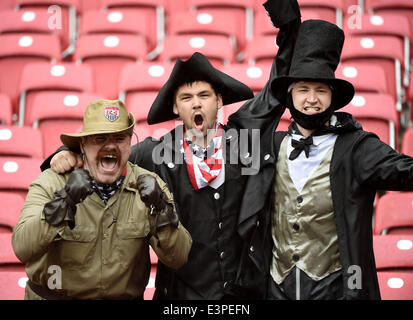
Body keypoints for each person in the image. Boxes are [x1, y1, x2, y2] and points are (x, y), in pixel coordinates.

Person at [40, 0, 302, 299]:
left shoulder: (244, 138)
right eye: (186, 97)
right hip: (180, 294)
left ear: (219, 101)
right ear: (176, 107)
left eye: (204, 95)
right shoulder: (154, 153)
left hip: (243, 293)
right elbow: (106, 157)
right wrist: (68, 155)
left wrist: (288, 23)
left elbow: (277, 88)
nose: (196, 103)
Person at [235, 19, 413, 300]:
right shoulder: (271, 145)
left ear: (333, 97)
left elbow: (406, 171)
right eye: (303, 89)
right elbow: (242, 124)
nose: (312, 99)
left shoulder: (357, 146)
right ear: (289, 96)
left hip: (334, 288)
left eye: (321, 90)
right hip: (275, 287)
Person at [12, 99, 192, 300]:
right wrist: (65, 201)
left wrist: (161, 210)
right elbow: (22, 248)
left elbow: (179, 257)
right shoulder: (52, 182)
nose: (110, 146)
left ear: (129, 142)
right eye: (100, 138)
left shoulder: (150, 184)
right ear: (83, 144)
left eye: (120, 138)